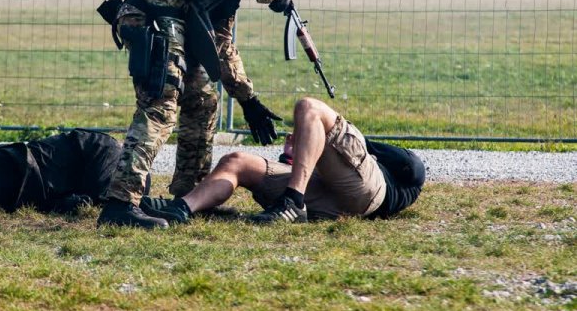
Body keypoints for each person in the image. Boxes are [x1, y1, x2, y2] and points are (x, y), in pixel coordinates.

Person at [97, 0, 295, 228]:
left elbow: (222, 46)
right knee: (159, 108)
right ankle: (120, 205)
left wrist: (249, 100)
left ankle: (190, 199)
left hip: (172, 22)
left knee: (203, 102)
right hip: (154, 19)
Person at [141, 97, 426, 224]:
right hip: (326, 202)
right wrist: (298, 152)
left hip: (367, 194)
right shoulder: (339, 165)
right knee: (236, 160)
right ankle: (182, 208)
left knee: (309, 107)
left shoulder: (397, 172)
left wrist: (361, 145)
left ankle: (292, 202)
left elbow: (414, 171)